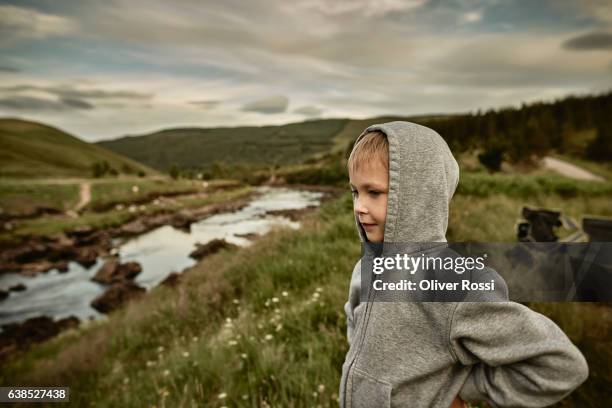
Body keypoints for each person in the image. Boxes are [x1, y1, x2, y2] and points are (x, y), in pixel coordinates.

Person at [338, 121, 589, 408]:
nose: (359, 206)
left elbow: (561, 365)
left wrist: (463, 389)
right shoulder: (366, 267)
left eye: (374, 192)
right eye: (355, 192)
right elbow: (355, 327)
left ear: (419, 196)